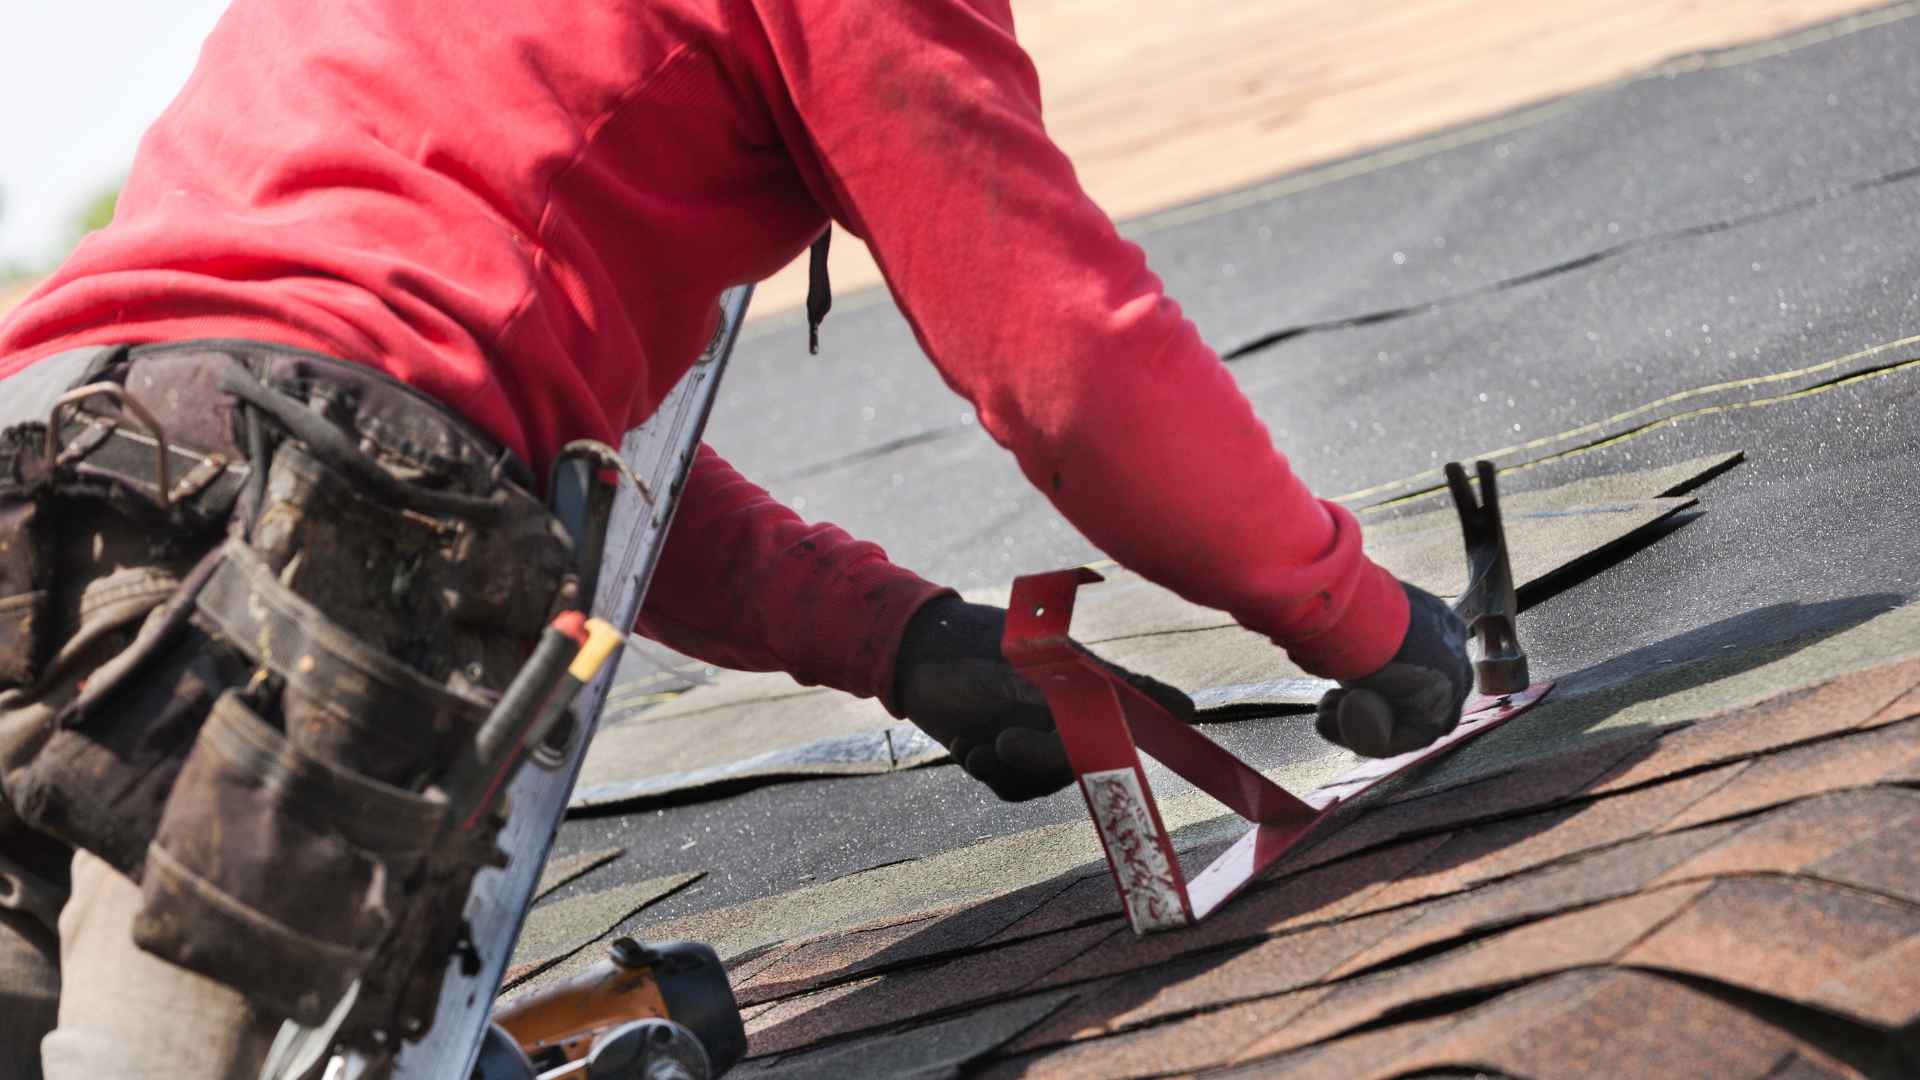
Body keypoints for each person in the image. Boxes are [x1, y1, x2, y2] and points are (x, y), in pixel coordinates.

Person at [0, 0, 1472, 1074]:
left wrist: (896, 637)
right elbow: (1068, 363)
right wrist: (1352, 615)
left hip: (56, 468)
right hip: (294, 539)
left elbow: (494, 430)